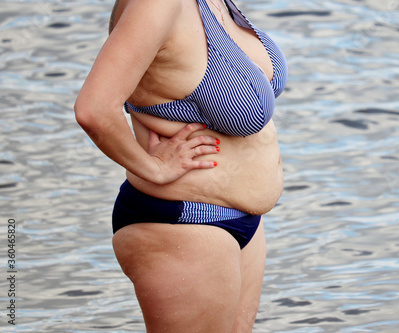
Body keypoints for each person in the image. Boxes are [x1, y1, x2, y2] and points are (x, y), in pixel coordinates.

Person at [74, 0, 287, 331]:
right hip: (183, 223)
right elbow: (94, 110)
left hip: (243, 222)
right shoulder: (157, 4)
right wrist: (154, 168)